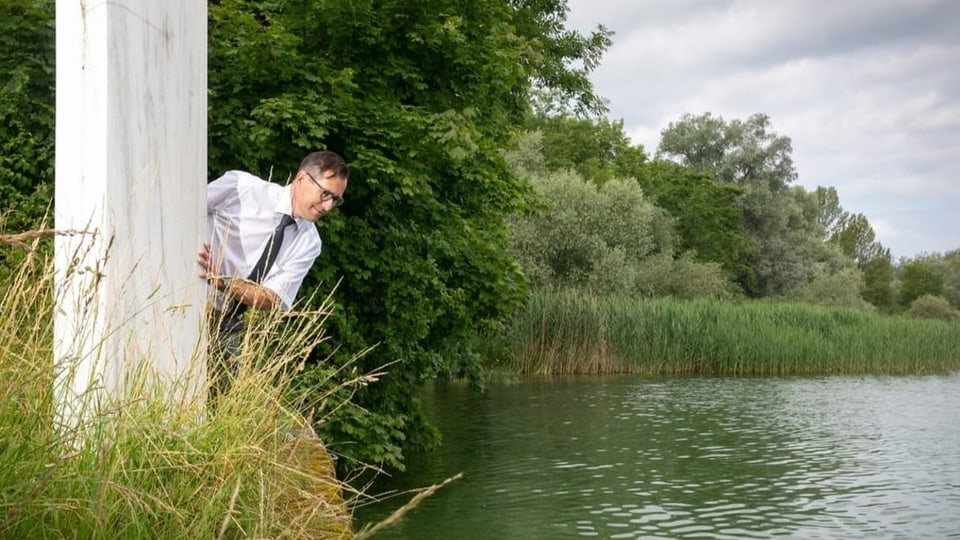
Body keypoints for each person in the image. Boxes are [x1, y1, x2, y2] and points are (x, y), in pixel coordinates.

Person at [197, 150, 348, 399]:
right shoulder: (242, 187)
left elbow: (272, 299)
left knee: (220, 401)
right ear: (302, 179)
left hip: (227, 324)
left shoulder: (309, 242)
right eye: (326, 194)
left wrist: (222, 282)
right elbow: (182, 209)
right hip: (186, 295)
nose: (329, 206)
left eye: (336, 200)